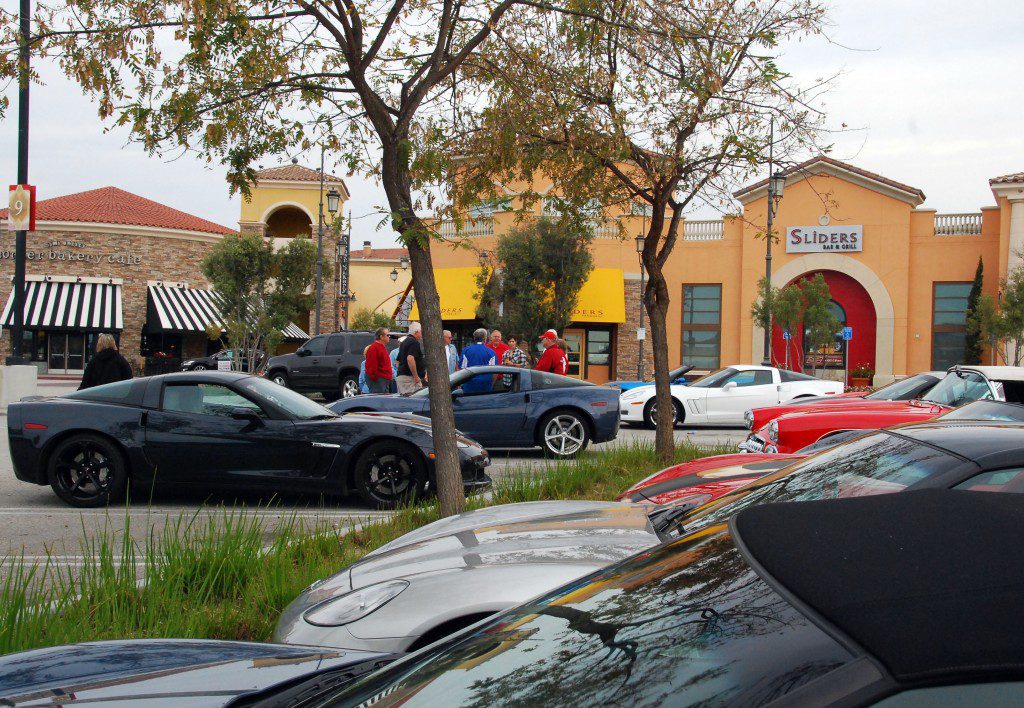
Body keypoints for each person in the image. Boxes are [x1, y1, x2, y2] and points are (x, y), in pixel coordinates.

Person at [460, 327, 496, 393]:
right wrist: (491, 384)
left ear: (474, 338)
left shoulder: (466, 350)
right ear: (485, 339)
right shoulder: (491, 352)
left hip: (469, 385)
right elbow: (495, 372)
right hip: (486, 385)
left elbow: (461, 369)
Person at [396, 322, 426, 395]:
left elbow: (397, 360)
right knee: (414, 398)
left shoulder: (404, 341)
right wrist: (415, 376)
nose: (422, 334)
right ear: (416, 332)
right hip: (409, 379)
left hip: (402, 376)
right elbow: (410, 358)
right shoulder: (414, 342)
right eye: (421, 331)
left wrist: (401, 370)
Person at [364, 327, 393, 394]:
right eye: (387, 335)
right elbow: (371, 366)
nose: (389, 337)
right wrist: (376, 379)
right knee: (378, 399)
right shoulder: (374, 348)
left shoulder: (381, 347)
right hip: (378, 381)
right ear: (381, 337)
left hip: (384, 380)